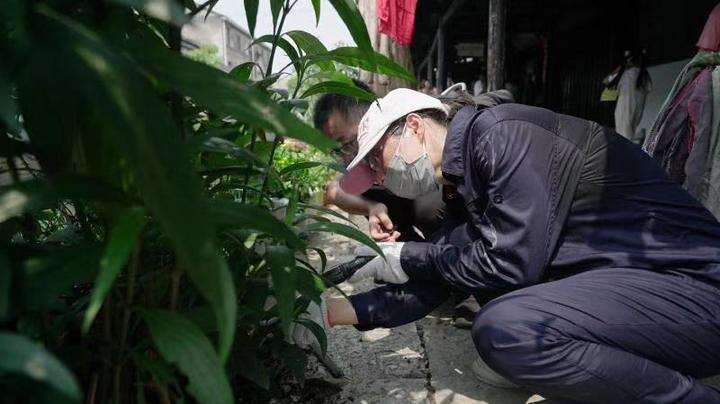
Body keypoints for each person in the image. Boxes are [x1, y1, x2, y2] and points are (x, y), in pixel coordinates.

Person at [296, 88, 720, 403]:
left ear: (415, 127)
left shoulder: (505, 137)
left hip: (696, 290)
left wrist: (404, 256)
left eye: (376, 159)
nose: (378, 177)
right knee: (477, 283)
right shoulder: (462, 176)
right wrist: (330, 313)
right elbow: (446, 272)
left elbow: (509, 264)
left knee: (508, 330)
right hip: (642, 291)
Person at [313, 79, 445, 243]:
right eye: (337, 151)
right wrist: (371, 207)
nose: (346, 158)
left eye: (348, 144)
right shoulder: (364, 175)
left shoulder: (427, 163)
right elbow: (333, 191)